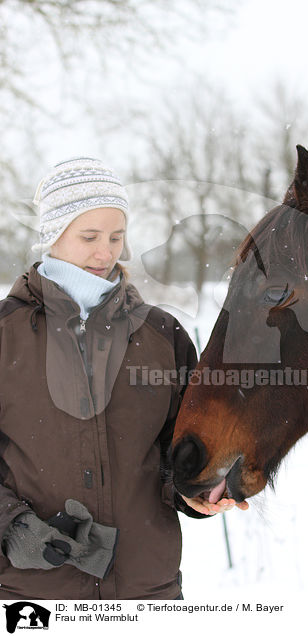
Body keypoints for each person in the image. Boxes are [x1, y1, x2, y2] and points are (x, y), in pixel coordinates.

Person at [0, 157, 248, 601]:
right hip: (32, 595)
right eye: (89, 237)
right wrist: (13, 528)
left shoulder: (161, 335)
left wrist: (200, 488)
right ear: (51, 236)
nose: (105, 253)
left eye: (116, 237)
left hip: (145, 591)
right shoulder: (5, 337)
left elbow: (178, 452)